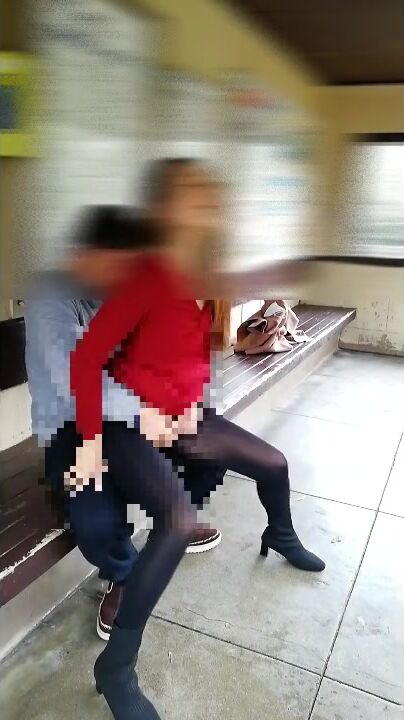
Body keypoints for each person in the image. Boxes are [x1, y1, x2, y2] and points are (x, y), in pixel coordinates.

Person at [66, 159, 325, 720]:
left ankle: (280, 535)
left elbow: (186, 359)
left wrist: (190, 408)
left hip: (183, 417)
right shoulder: (144, 276)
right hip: (126, 424)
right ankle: (116, 667)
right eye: (191, 190)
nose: (208, 197)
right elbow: (86, 362)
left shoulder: (194, 279)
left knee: (274, 463)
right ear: (162, 208)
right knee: (179, 521)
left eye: (210, 190)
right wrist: (90, 442)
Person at [24, 204, 221, 643]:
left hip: (126, 420)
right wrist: (144, 410)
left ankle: (173, 523)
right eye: (116, 266)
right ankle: (124, 572)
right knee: (94, 521)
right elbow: (76, 375)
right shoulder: (50, 296)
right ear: (84, 255)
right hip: (71, 430)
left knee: (210, 444)